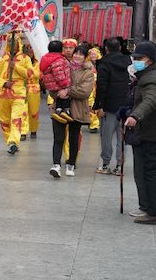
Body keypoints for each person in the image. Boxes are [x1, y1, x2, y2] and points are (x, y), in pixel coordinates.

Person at [125, 41, 156, 225]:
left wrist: (135, 116)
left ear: (150, 60)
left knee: (152, 172)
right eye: (135, 58)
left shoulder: (151, 79)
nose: (136, 61)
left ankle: (155, 213)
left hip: (155, 133)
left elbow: (150, 101)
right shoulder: (155, 75)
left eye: (140, 58)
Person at [48, 45, 94, 178]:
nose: (77, 56)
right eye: (76, 53)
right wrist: (57, 93)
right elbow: (52, 83)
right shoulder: (62, 66)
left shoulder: (88, 72)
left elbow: (85, 91)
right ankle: (56, 165)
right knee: (58, 137)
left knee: (74, 139)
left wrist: (67, 91)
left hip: (77, 109)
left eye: (81, 54)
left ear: (85, 57)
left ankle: (71, 164)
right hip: (60, 107)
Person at [93, 38, 132, 175]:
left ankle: (105, 164)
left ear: (106, 48)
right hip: (125, 105)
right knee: (122, 137)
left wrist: (98, 105)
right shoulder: (128, 61)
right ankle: (119, 166)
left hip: (109, 105)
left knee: (106, 136)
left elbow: (101, 86)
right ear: (120, 47)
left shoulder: (104, 63)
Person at [0, 33, 33, 153]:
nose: (12, 43)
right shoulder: (3, 59)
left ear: (19, 43)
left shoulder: (25, 58)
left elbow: (29, 74)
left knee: (16, 118)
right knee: (4, 121)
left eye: (14, 41)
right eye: (9, 41)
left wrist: (15, 66)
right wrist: (4, 83)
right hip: (3, 94)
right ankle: (9, 142)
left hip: (18, 94)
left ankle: (13, 141)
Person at [40, 40, 72, 124]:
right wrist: (65, 85)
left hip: (51, 86)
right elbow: (59, 74)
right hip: (58, 85)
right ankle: (64, 112)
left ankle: (58, 111)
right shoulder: (58, 59)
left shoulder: (45, 59)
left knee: (58, 99)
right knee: (65, 96)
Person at [24, 44, 41, 140]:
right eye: (27, 48)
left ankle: (33, 129)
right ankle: (23, 131)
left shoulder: (37, 64)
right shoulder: (21, 62)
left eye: (31, 48)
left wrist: (29, 71)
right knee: (23, 111)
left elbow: (38, 75)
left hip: (34, 89)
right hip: (23, 88)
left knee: (33, 111)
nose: (29, 50)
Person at [87, 47, 102, 134]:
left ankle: (97, 123)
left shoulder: (101, 64)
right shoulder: (87, 65)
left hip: (99, 88)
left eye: (94, 54)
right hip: (90, 89)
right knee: (91, 107)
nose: (93, 55)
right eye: (91, 54)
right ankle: (93, 124)